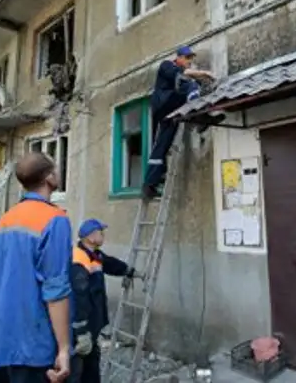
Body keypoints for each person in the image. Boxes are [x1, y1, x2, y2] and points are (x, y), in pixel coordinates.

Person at [0, 152, 73, 383]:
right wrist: (63, 348)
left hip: (0, 341)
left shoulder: (6, 218)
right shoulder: (55, 220)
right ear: (49, 177)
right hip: (34, 345)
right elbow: (56, 290)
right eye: (56, 168)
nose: (59, 171)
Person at [70, 218, 140, 383]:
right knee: (77, 369)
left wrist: (129, 271)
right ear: (90, 236)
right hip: (82, 325)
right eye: (101, 232)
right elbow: (79, 297)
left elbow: (110, 263)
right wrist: (81, 331)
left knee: (91, 365)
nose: (103, 235)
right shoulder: (79, 259)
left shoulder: (94, 255)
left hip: (92, 324)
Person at [142, 46, 217, 199]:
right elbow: (183, 74)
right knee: (191, 85)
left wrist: (204, 83)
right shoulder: (167, 65)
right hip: (163, 103)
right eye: (187, 58)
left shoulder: (180, 73)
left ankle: (149, 185)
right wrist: (204, 73)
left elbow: (185, 76)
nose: (190, 61)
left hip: (171, 111)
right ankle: (199, 116)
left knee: (162, 144)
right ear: (179, 57)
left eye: (191, 59)